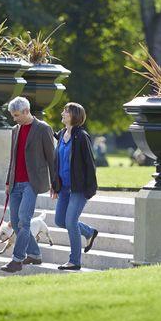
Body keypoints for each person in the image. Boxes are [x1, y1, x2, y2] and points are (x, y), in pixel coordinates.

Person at [0, 96, 58, 273]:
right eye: (13, 115)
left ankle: (17, 259)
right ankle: (34, 254)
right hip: (16, 183)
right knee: (16, 223)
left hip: (32, 183)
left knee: (24, 221)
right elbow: (13, 158)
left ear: (26, 111)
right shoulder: (15, 130)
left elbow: (52, 158)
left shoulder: (43, 129)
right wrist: (9, 182)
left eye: (16, 115)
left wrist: (55, 183)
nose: (14, 119)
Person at [54, 102, 99, 270]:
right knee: (60, 220)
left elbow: (90, 163)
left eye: (66, 111)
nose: (63, 113)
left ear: (74, 115)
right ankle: (89, 232)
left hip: (78, 188)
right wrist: (54, 185)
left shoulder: (82, 136)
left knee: (71, 221)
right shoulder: (61, 135)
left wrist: (90, 188)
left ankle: (74, 261)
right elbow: (56, 162)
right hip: (64, 188)